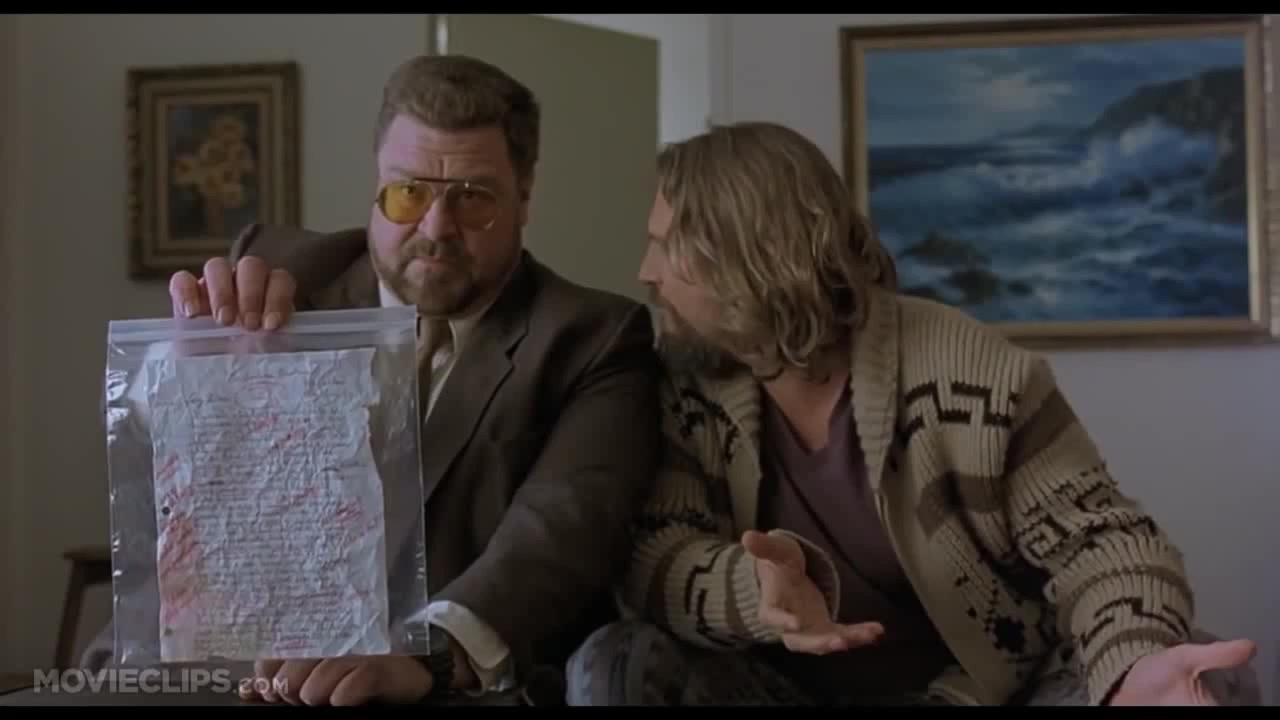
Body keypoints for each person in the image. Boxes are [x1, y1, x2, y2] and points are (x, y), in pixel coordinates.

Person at [564, 122, 1259, 706]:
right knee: (618, 659)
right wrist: (754, 590)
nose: (645, 272)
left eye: (666, 245)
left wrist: (1133, 665)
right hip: (783, 692)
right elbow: (653, 556)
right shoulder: (684, 385)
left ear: (751, 257)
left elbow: (1102, 544)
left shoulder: (972, 371)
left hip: (989, 694)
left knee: (1198, 671)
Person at [76, 54, 661, 706]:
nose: (436, 229)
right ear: (377, 184)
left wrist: (425, 653)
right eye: (409, 193)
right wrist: (184, 367)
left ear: (524, 197)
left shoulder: (590, 337)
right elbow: (145, 465)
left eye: (473, 198)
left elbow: (559, 532)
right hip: (202, 668)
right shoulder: (279, 275)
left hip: (414, 688)